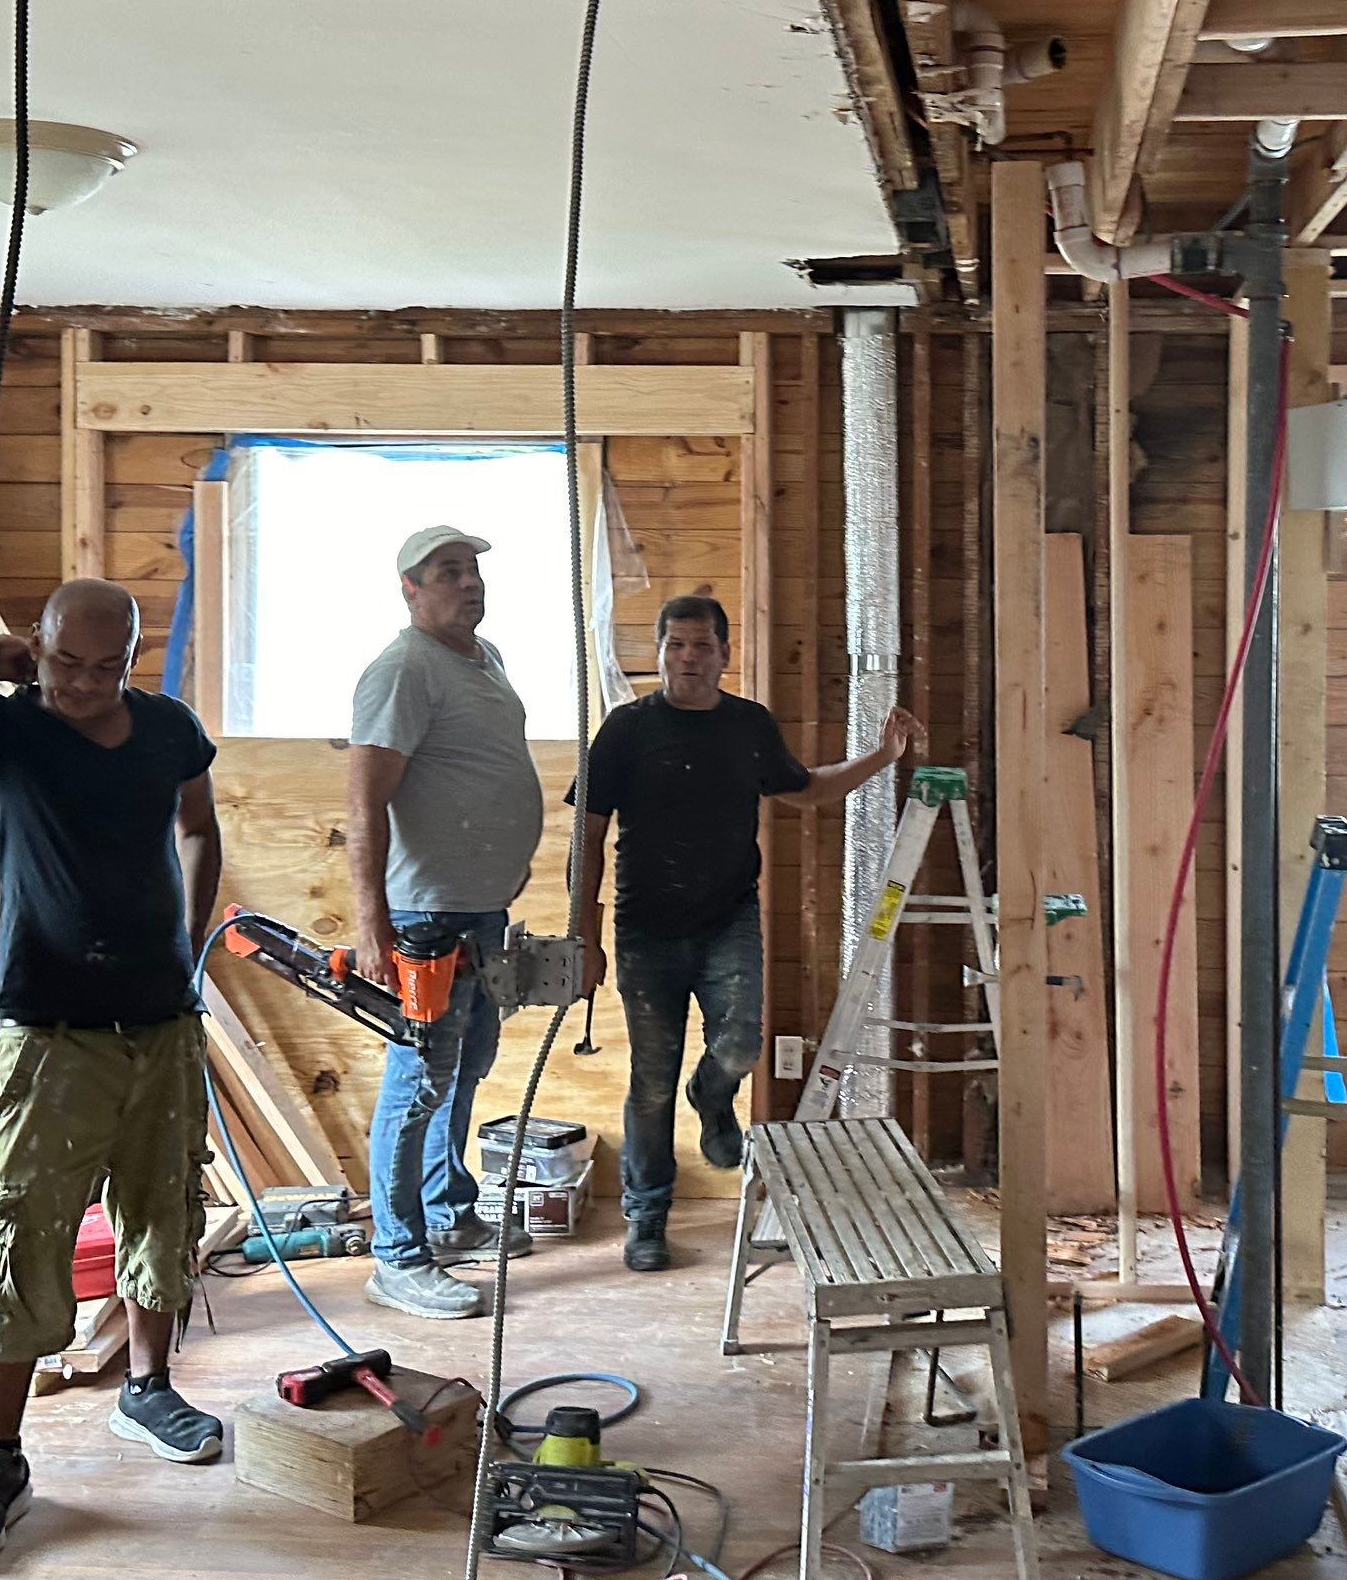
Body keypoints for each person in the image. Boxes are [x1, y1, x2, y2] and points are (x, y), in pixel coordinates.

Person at [0, 578, 226, 1566]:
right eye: (67, 660)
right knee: (27, 1225)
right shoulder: (3, 733)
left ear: (133, 658)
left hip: (161, 1019)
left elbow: (198, 824)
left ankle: (148, 1389)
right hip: (49, 1020)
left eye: (106, 665)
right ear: (44, 646)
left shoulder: (167, 728)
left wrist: (185, 936)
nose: (84, 682)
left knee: (163, 1208)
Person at [570, 594, 922, 1272]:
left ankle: (713, 1093)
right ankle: (646, 1219)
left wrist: (883, 757)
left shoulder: (747, 725)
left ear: (725, 654)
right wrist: (583, 935)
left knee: (739, 1044)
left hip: (728, 920)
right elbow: (587, 836)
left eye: (703, 646)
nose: (688, 659)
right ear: (661, 653)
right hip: (646, 930)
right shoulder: (625, 730)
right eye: (676, 646)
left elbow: (808, 789)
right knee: (650, 1082)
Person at [346, 525, 548, 1320]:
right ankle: (397, 1257)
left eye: (472, 571)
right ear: (409, 588)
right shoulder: (401, 669)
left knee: (467, 1064)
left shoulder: (482, 657)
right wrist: (372, 925)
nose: (468, 584)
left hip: (480, 907)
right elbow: (365, 802)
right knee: (419, 1078)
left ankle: (448, 1211)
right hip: (426, 915)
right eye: (447, 572)